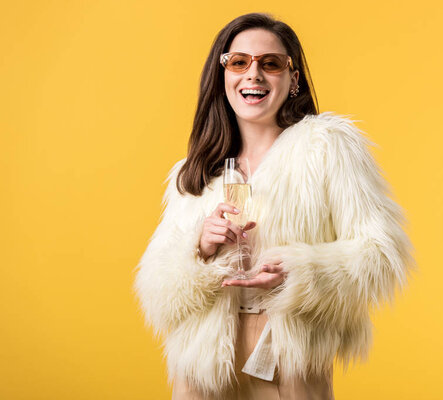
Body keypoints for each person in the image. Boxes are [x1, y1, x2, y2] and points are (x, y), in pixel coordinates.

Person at [133, 12, 415, 400]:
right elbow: (155, 288)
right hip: (204, 369)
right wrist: (198, 246)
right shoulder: (194, 171)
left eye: (271, 63)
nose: (254, 74)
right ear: (223, 76)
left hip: (287, 356)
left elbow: (382, 252)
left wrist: (301, 270)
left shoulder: (327, 147)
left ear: (293, 78)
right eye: (239, 62)